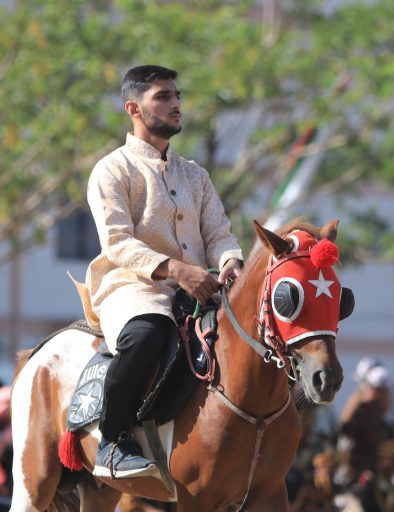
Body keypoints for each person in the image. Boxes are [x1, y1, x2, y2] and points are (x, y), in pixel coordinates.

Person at [84, 65, 243, 477]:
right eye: (164, 97)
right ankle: (112, 442)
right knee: (148, 334)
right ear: (133, 108)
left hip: (199, 290)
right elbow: (116, 242)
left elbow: (220, 234)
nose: (176, 104)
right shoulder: (112, 170)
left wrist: (231, 262)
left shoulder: (196, 175)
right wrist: (176, 270)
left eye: (177, 96)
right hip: (133, 289)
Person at [338, 364, 391, 484]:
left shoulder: (377, 409)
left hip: (370, 463)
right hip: (354, 464)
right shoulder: (359, 405)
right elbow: (345, 430)